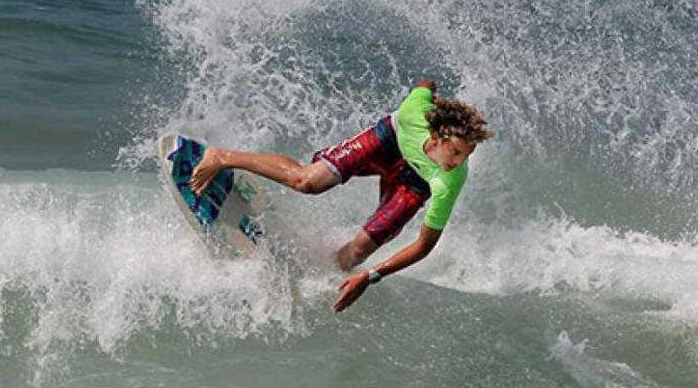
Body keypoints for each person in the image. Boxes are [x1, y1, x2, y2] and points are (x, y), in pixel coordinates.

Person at [189, 80, 493, 313]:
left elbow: (424, 246)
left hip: (415, 182)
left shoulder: (448, 181)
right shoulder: (416, 111)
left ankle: (315, 269)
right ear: (437, 136)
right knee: (308, 181)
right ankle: (223, 156)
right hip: (387, 141)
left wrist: (370, 276)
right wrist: (433, 93)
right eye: (455, 151)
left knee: (357, 254)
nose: (459, 161)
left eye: (467, 153)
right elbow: (425, 85)